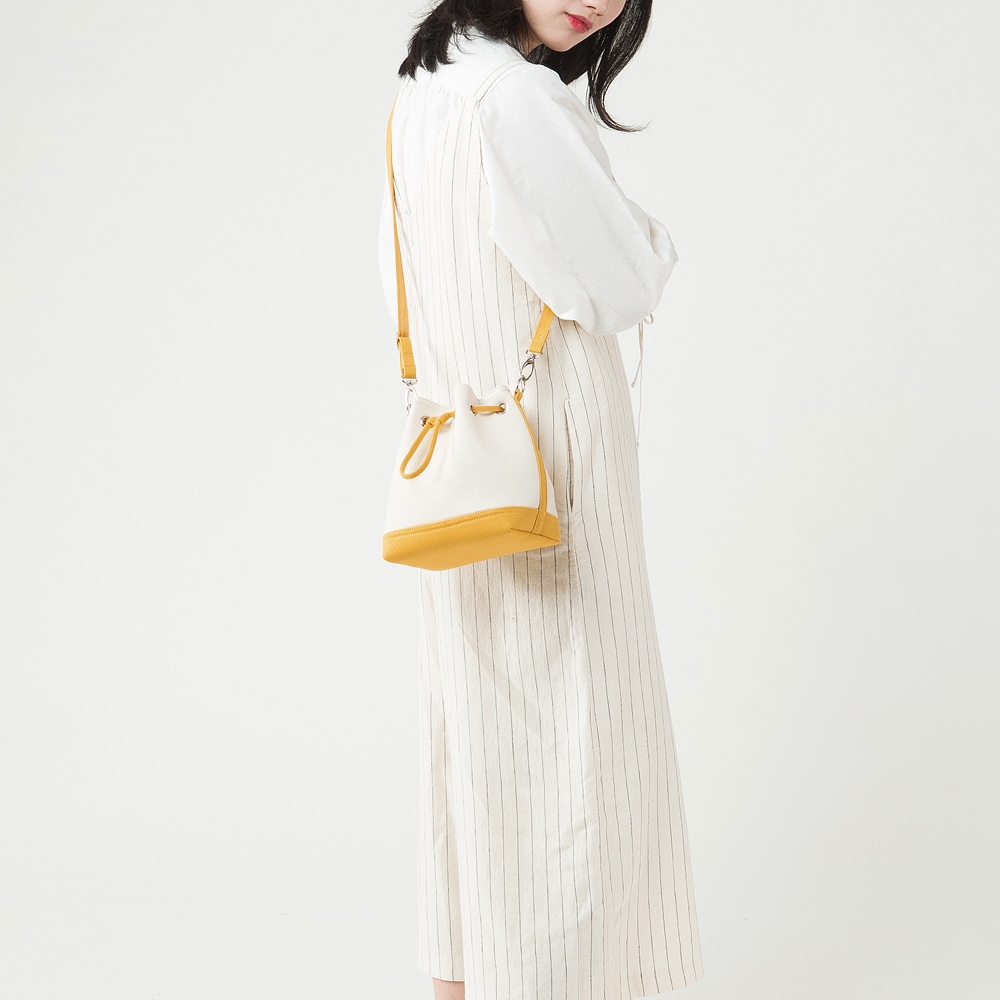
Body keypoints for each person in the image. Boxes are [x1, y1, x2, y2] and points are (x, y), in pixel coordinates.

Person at [378, 3, 705, 999]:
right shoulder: (514, 99)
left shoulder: (422, 90)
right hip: (552, 450)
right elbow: (622, 284)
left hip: (459, 450)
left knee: (478, 739)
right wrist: (649, 237)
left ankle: (465, 982)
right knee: (583, 745)